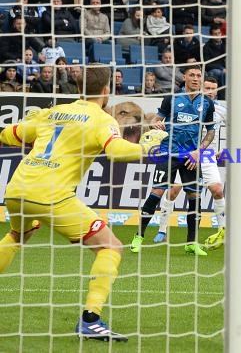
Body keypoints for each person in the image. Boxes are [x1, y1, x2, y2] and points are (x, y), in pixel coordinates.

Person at [0, 64, 167, 341]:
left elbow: (9, 135)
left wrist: (33, 120)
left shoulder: (53, 113)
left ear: (78, 89)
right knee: (111, 247)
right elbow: (115, 151)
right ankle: (91, 320)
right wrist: (145, 149)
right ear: (106, 91)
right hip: (51, 195)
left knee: (17, 235)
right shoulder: (102, 119)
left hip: (16, 189)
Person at [130, 65, 215, 256]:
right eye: (191, 75)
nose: (195, 78)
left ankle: (191, 243)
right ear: (184, 77)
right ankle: (139, 236)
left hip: (191, 157)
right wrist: (156, 123)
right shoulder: (171, 98)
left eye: (198, 75)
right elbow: (155, 120)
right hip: (168, 153)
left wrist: (199, 151)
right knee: (157, 193)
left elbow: (210, 131)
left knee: (195, 198)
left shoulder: (207, 103)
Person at [155, 77, 227, 250]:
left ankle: (223, 231)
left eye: (213, 88)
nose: (210, 91)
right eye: (207, 87)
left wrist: (224, 149)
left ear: (217, 91)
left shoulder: (221, 110)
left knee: (217, 190)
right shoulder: (193, 104)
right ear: (201, 87)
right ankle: (162, 229)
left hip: (207, 154)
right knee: (173, 191)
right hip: (185, 152)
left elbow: (235, 129)